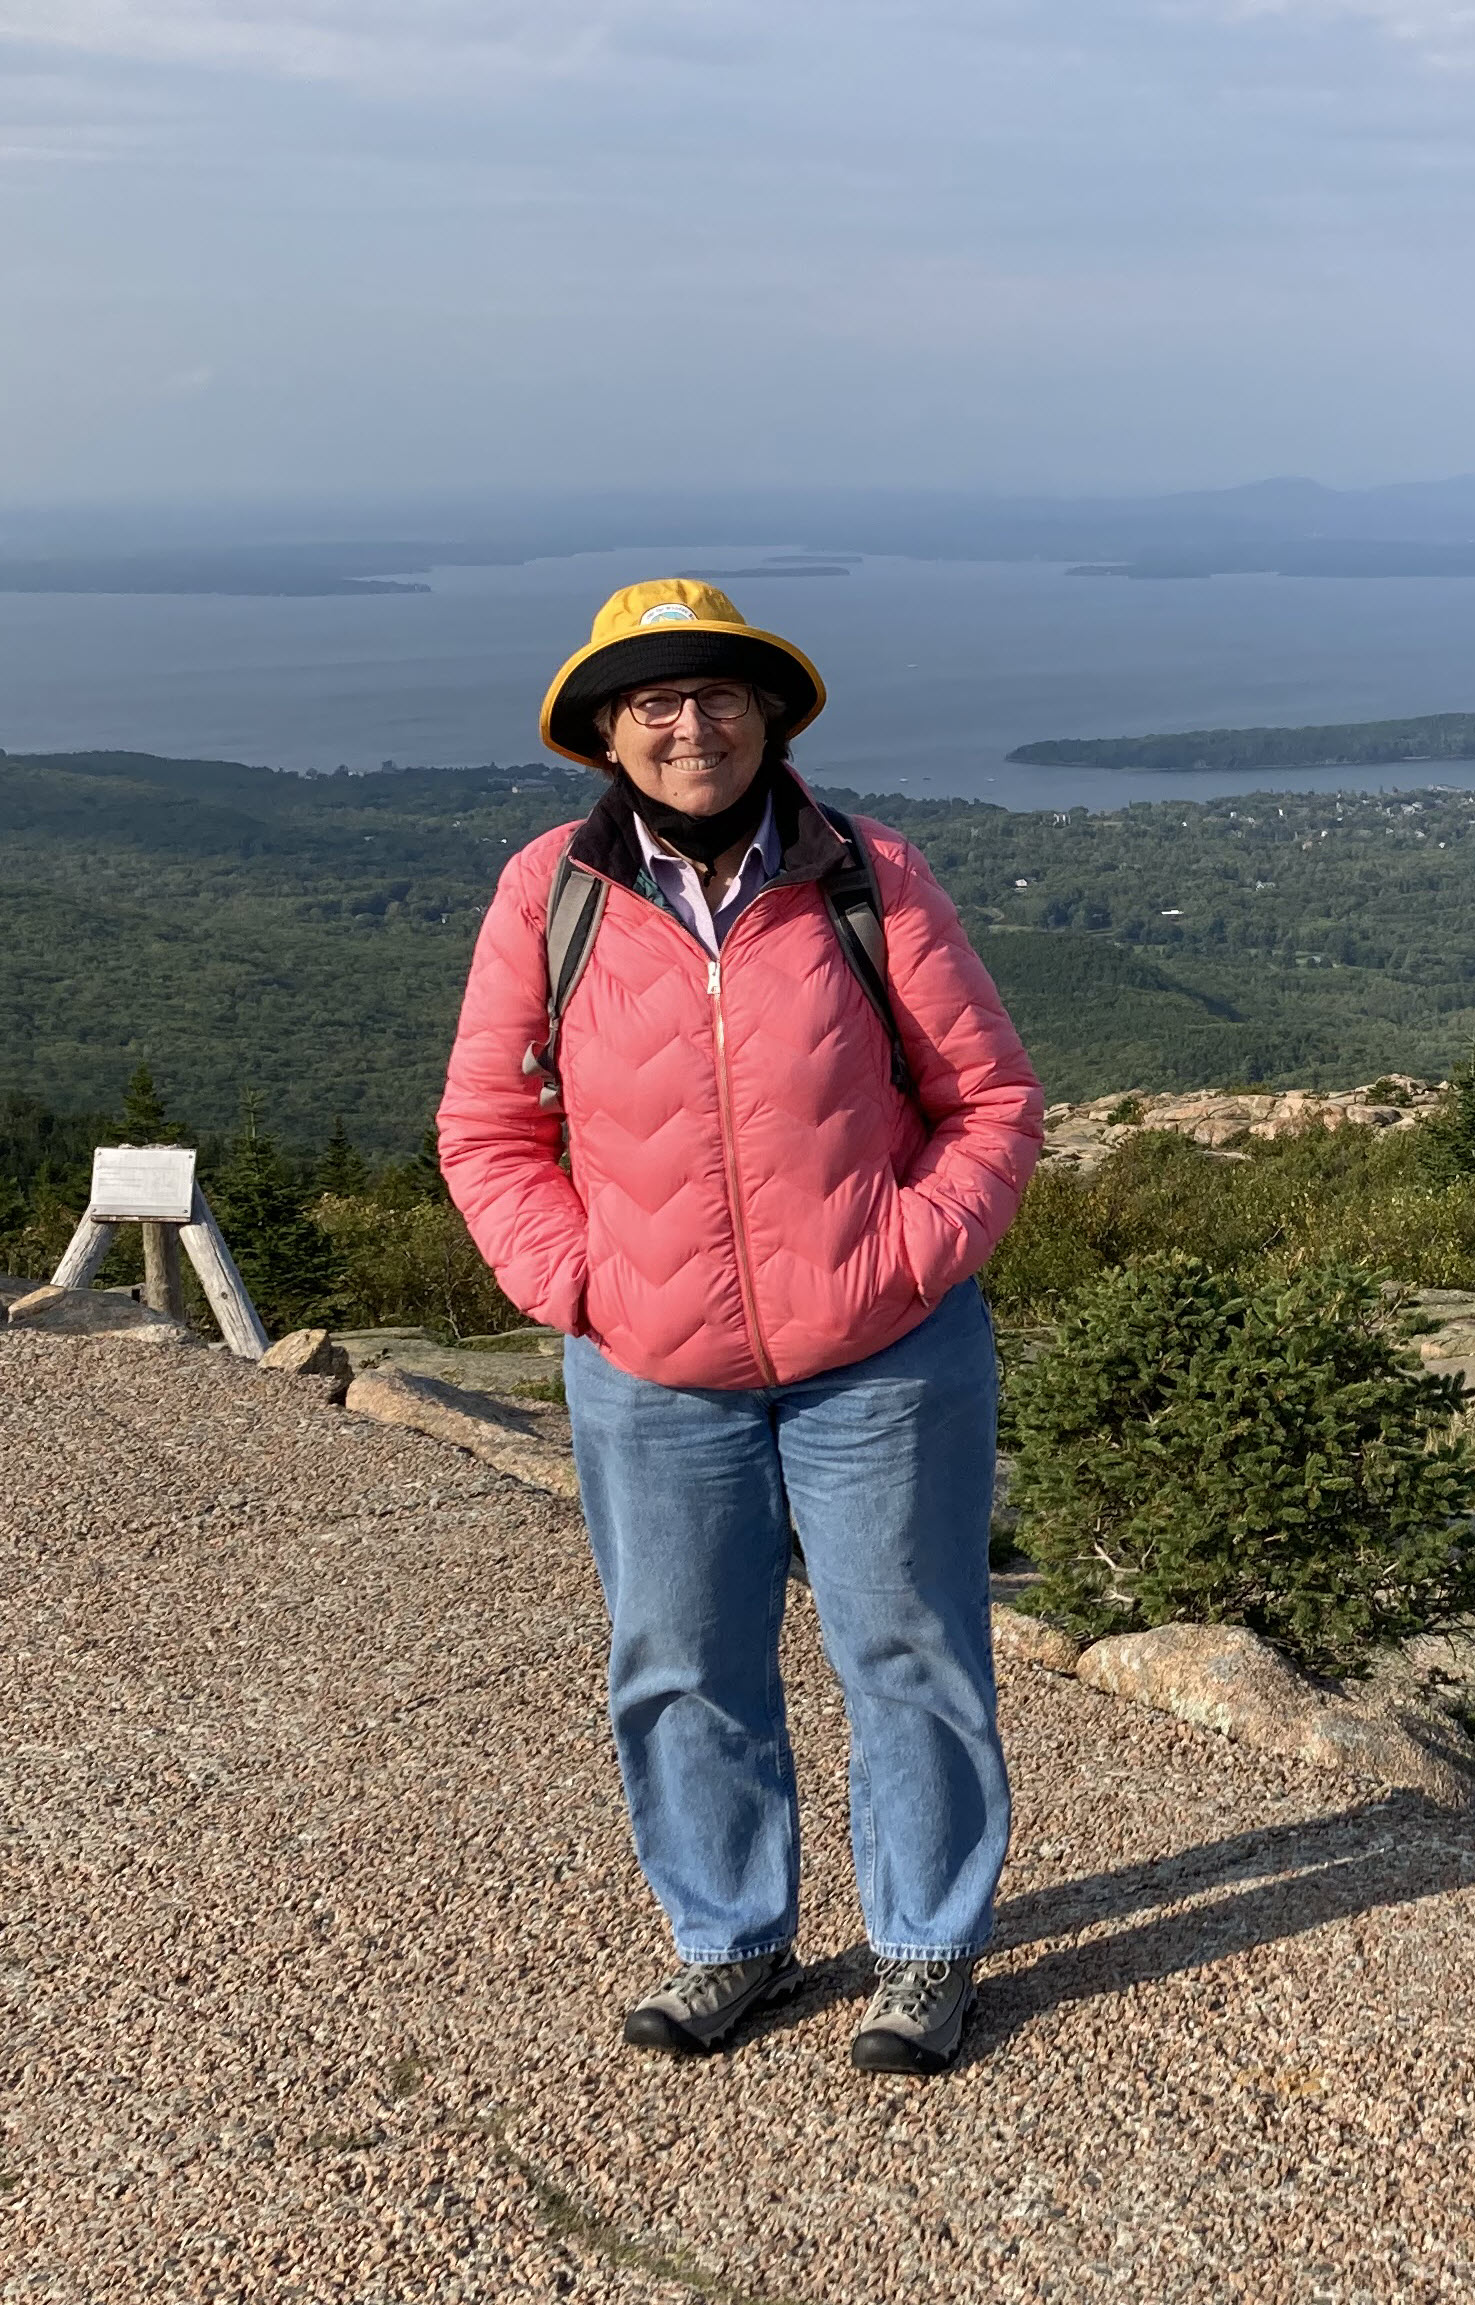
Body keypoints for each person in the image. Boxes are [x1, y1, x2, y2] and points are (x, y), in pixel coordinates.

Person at [440, 581, 1045, 2078]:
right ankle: (729, 1939)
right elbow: (487, 1125)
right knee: (676, 1656)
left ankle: (924, 1947)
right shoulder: (552, 891)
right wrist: (584, 1285)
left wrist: (906, 1256)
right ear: (603, 731)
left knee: (911, 1647)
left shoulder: (868, 875)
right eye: (650, 699)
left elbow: (991, 1102)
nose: (688, 722)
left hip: (886, 1354)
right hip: (648, 1366)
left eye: (718, 693)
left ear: (771, 714)